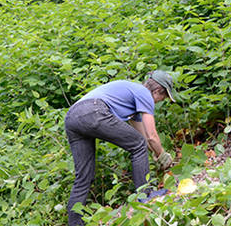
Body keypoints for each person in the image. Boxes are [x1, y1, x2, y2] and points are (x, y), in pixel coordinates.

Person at [64, 70, 175, 225]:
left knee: (84, 176)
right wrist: (163, 155)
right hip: (94, 110)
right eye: (163, 97)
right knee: (137, 146)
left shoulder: (133, 98)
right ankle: (145, 196)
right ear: (157, 91)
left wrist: (155, 153)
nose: (159, 101)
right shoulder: (144, 93)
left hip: (72, 118)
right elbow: (151, 135)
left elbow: (142, 137)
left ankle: (74, 223)